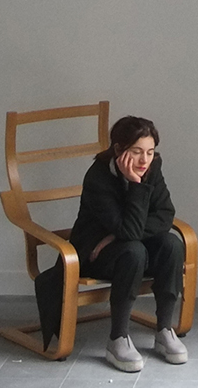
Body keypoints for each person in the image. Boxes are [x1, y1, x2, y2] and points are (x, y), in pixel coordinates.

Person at [34, 114, 188, 371]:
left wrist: (115, 236)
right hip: (94, 255)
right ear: (119, 149)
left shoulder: (153, 167)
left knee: (171, 244)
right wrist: (136, 185)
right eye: (136, 151)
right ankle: (118, 338)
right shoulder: (98, 177)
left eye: (150, 152)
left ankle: (164, 330)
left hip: (122, 244)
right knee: (133, 251)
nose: (144, 160)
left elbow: (165, 214)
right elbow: (129, 230)